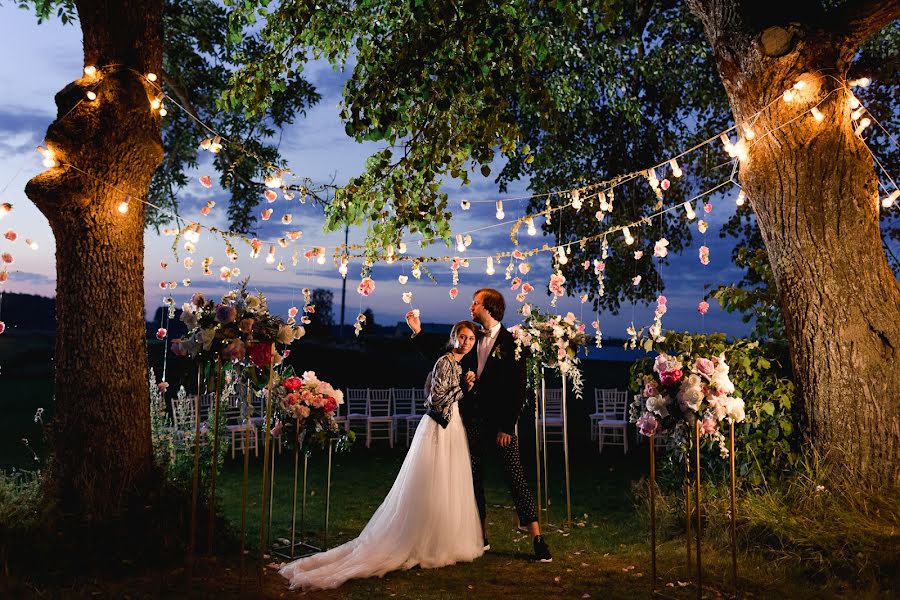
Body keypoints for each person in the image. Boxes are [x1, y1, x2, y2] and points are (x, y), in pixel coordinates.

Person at [278, 321, 483, 591]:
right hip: (438, 429)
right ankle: (424, 539)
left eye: (471, 339)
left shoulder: (457, 364)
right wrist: (463, 389)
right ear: (453, 337)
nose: (466, 342)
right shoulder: (445, 362)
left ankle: (441, 538)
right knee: (432, 481)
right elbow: (435, 400)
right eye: (462, 337)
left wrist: (463, 386)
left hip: (452, 425)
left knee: (448, 482)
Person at [406, 288, 552, 562]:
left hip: (500, 425)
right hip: (470, 420)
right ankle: (480, 536)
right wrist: (417, 332)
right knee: (473, 479)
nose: (471, 306)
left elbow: (518, 389)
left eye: (476, 303)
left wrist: (507, 427)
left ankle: (537, 538)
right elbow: (442, 355)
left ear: (490, 308)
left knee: (515, 476)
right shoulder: (470, 336)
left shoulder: (513, 342)